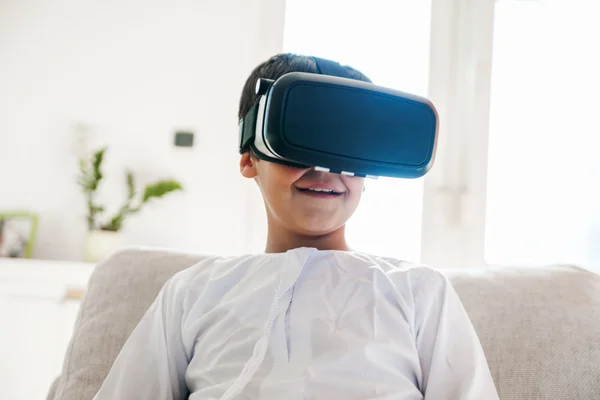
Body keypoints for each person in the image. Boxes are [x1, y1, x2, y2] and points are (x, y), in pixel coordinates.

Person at [92, 53, 499, 399]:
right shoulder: (193, 292)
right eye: (302, 140)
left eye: (346, 147)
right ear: (249, 157)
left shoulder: (420, 291)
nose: (325, 169)